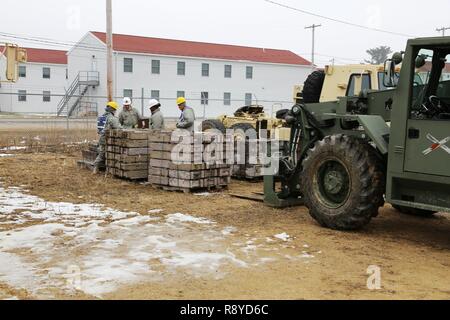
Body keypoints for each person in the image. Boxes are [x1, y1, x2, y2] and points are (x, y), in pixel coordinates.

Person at [93, 101, 123, 174]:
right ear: (113, 109)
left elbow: (99, 130)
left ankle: (102, 167)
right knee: (102, 154)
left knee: (103, 152)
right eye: (115, 110)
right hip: (107, 139)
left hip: (101, 138)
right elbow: (118, 128)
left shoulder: (102, 117)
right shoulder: (112, 118)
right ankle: (95, 167)